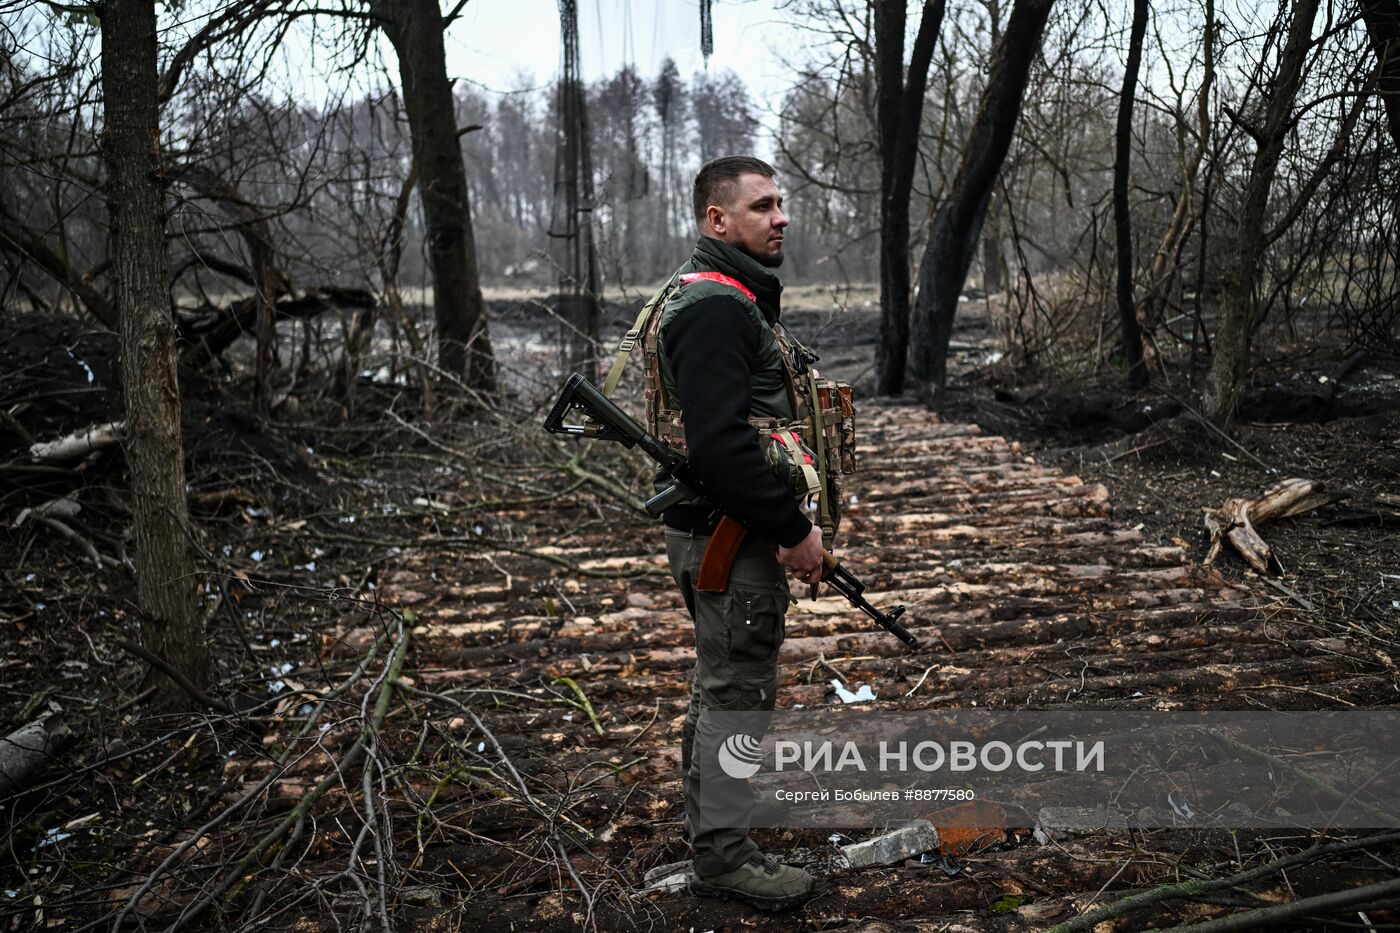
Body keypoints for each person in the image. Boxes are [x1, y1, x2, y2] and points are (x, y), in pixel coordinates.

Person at [645, 155, 823, 910]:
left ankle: (714, 835)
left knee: (721, 691)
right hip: (732, 533)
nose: (781, 216)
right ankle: (723, 857)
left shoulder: (718, 295)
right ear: (717, 220)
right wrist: (792, 529)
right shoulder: (717, 306)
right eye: (762, 206)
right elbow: (720, 446)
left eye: (781, 203)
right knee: (737, 698)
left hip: (723, 529)